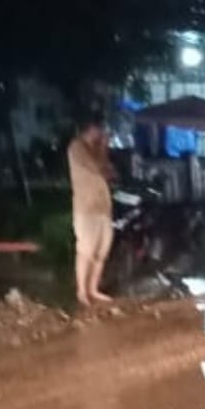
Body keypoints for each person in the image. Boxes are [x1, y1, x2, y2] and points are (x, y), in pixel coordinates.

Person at [67, 114, 116, 306]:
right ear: (91, 129)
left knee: (101, 252)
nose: (102, 134)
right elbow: (99, 168)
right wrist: (104, 148)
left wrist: (103, 152)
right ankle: (82, 292)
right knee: (86, 251)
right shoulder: (77, 147)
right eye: (100, 130)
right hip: (86, 209)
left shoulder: (95, 149)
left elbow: (110, 172)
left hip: (103, 208)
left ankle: (94, 289)